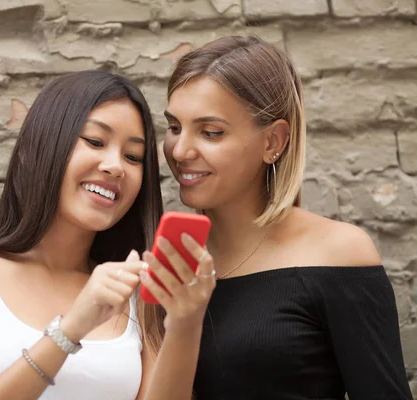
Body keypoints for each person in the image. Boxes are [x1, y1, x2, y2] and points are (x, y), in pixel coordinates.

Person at [0, 70, 215, 400]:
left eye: (133, 157)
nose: (115, 166)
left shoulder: (136, 296)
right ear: (36, 149)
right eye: (95, 141)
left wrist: (185, 323)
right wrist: (70, 329)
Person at [140, 35, 413, 399]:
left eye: (210, 132)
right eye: (174, 127)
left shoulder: (338, 252)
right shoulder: (168, 260)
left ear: (274, 142)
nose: (181, 150)